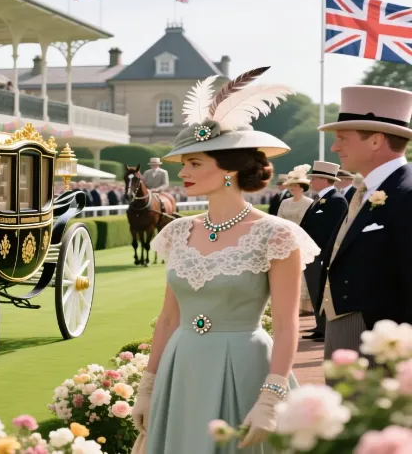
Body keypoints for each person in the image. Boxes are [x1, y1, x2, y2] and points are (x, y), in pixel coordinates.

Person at [131, 67, 319, 454]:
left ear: (230, 170)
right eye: (183, 164)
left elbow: (286, 325)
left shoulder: (276, 234)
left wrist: (271, 397)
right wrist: (147, 387)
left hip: (246, 369)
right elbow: (168, 318)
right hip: (180, 368)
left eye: (195, 163)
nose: (182, 172)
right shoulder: (178, 232)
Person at [317, 85, 412, 364]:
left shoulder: (407, 193)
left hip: (382, 341)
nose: (335, 147)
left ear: (375, 141)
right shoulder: (369, 190)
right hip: (346, 329)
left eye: (342, 138)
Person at [296, 160, 348, 343]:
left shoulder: (336, 201)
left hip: (322, 256)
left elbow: (335, 231)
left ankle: (327, 328)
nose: (312, 182)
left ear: (325, 180)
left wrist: (325, 256)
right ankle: (320, 326)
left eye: (315, 178)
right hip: (312, 254)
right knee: (314, 291)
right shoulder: (320, 200)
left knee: (322, 291)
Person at [277, 164, 315, 315]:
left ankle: (305, 305)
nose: (292, 188)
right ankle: (291, 303)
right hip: (288, 240)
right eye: (290, 185)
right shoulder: (285, 202)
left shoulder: (309, 202)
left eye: (294, 185)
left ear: (302, 187)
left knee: (304, 272)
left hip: (304, 239)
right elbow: (279, 220)